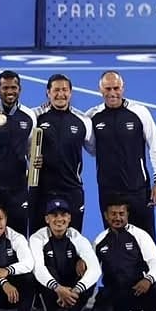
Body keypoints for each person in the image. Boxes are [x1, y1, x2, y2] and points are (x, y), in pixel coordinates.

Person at [86, 71, 156, 241]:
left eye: (116, 88)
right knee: (115, 242)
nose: (112, 93)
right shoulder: (93, 116)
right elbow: (92, 148)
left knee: (146, 241)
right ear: (100, 90)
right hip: (108, 191)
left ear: (123, 88)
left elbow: (155, 146)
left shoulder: (140, 112)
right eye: (108, 88)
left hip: (138, 189)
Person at [91, 197, 156, 311]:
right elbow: (93, 269)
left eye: (121, 213)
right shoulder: (99, 240)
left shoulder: (140, 235)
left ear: (127, 215)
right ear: (106, 216)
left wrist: (148, 279)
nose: (117, 218)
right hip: (115, 292)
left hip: (138, 289)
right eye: (113, 214)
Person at [30, 74, 94, 233]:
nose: (61, 94)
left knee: (74, 238)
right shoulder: (35, 116)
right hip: (42, 190)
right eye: (56, 90)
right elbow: (24, 146)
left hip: (72, 189)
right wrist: (30, 159)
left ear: (71, 93)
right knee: (39, 237)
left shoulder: (83, 120)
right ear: (48, 93)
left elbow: (93, 149)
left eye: (65, 90)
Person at [29, 199, 101, 311]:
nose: (59, 219)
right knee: (44, 272)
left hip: (71, 288)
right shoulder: (37, 238)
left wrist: (75, 290)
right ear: (47, 219)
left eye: (63, 215)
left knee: (88, 278)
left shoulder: (77, 237)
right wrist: (58, 288)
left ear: (69, 218)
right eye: (54, 215)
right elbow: (38, 268)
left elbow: (95, 269)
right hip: (52, 286)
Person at [0, 70, 38, 236]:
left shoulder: (29, 116)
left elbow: (30, 149)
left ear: (20, 89)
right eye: (5, 88)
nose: (10, 91)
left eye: (13, 87)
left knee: (19, 234)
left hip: (18, 187)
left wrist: (35, 159)